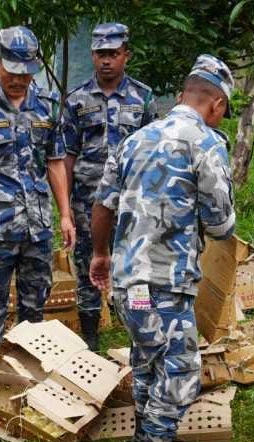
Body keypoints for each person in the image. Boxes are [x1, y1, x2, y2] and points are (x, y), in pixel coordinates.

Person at [89, 54, 236, 442]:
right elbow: (221, 224)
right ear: (217, 106)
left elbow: (102, 205)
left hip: (129, 283)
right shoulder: (207, 144)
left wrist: (99, 256)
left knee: (146, 354)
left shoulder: (134, 141)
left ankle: (145, 437)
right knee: (181, 367)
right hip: (164, 284)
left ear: (181, 96)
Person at [0, 26, 75, 332]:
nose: (18, 79)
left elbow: (55, 162)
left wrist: (66, 215)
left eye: (26, 72)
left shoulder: (47, 104)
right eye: (11, 71)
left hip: (38, 227)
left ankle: (26, 371)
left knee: (35, 308)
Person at [63, 22, 157, 350]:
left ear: (125, 56)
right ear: (93, 55)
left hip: (132, 200)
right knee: (88, 261)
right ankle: (90, 334)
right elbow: (68, 156)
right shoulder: (76, 100)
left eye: (113, 54)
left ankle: (138, 327)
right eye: (101, 54)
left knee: (137, 264)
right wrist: (65, 208)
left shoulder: (143, 97)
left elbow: (151, 154)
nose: (106, 61)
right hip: (87, 200)